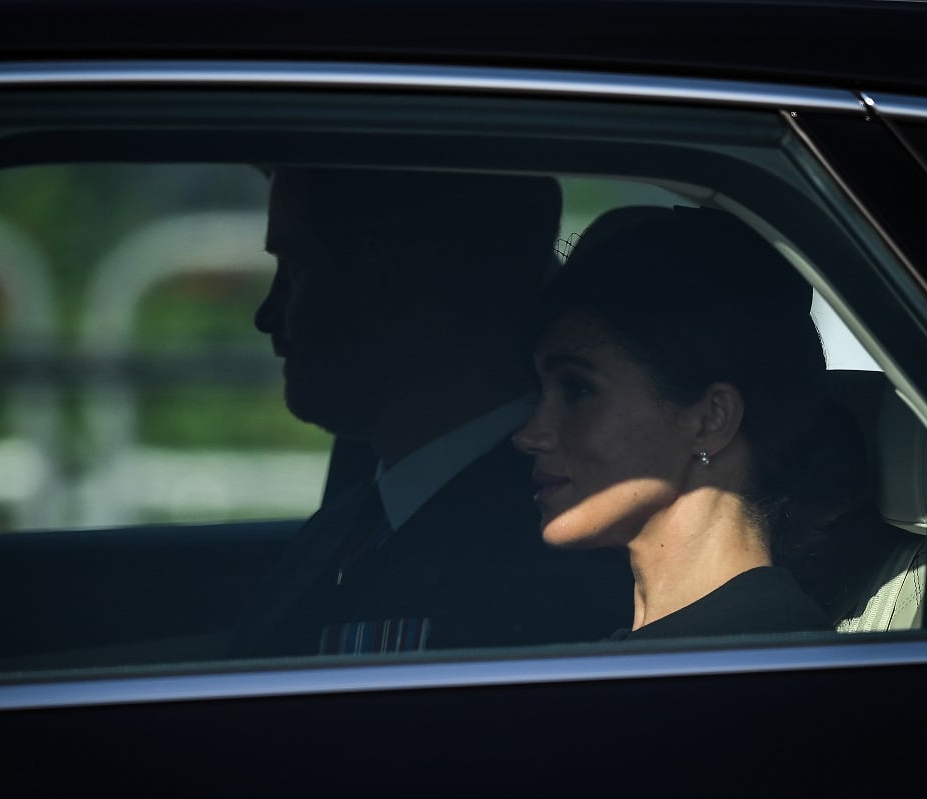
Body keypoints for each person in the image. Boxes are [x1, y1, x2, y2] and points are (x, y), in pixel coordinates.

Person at [225, 166, 633, 658]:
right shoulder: (360, 517)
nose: (267, 314)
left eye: (296, 269)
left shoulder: (550, 556)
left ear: (396, 286)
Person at [512, 205, 841, 640]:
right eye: (541, 394)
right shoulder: (705, 649)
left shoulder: (755, 666)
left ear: (711, 420)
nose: (528, 435)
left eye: (577, 390)